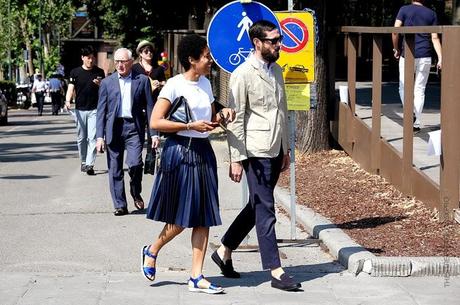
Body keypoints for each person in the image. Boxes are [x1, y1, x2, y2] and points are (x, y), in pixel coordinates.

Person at [211, 20, 301, 292]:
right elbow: (235, 120)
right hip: (255, 151)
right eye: (273, 41)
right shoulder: (242, 74)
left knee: (256, 206)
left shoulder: (276, 71)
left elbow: (282, 112)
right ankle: (276, 270)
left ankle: (224, 249)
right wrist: (236, 158)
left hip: (275, 149)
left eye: (279, 40)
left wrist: (286, 149)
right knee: (265, 208)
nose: (278, 45)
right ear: (257, 42)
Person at [142, 34, 234, 294]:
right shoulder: (173, 85)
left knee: (203, 215)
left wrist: (222, 114)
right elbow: (156, 122)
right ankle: (152, 250)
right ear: (192, 60)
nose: (210, 61)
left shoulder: (206, 84)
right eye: (206, 57)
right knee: (182, 217)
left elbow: (210, 115)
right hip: (180, 152)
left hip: (203, 152)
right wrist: (188, 126)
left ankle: (196, 276)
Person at [96, 47, 156, 216]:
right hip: (113, 128)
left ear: (131, 62)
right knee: (114, 168)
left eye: (123, 61)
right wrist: (99, 136)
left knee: (135, 164)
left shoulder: (142, 80)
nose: (120, 65)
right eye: (117, 62)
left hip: (133, 128)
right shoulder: (107, 83)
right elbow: (101, 111)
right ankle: (120, 205)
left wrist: (154, 133)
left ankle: (135, 191)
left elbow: (150, 108)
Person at [392, 0, 442, 131]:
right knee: (419, 89)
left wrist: (396, 48)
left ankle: (410, 114)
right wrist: (441, 58)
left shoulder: (404, 9)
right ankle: (416, 122)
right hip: (425, 54)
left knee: (403, 87)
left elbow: (395, 31)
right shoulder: (431, 13)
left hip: (407, 53)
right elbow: (435, 38)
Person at [65, 46, 105, 175]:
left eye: (92, 57)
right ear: (82, 58)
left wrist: (100, 84)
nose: (91, 60)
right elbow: (71, 88)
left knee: (92, 137)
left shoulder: (99, 72)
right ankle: (83, 161)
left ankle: (89, 164)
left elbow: (104, 90)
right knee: (81, 138)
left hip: (95, 109)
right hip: (80, 109)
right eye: (88, 58)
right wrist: (67, 101)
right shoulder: (75, 72)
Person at [132, 40, 165, 175]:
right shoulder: (135, 69)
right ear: (140, 53)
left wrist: (160, 84)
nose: (149, 53)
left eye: (151, 51)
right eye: (146, 51)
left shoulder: (158, 69)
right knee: (138, 134)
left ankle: (150, 163)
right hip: (139, 105)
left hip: (155, 104)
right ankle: (136, 161)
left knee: (153, 134)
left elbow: (165, 83)